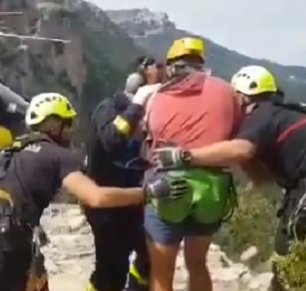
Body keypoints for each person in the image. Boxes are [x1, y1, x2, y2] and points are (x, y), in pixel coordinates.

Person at [0, 92, 189, 291]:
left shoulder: (11, 150)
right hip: (5, 240)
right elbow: (96, 196)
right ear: (54, 124)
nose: (72, 130)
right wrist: (148, 193)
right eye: (68, 123)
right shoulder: (58, 156)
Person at [151, 65, 306, 291]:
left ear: (242, 98)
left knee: (291, 253)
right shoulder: (285, 112)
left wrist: (185, 156)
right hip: (299, 188)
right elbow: (262, 178)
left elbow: (242, 150)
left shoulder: (262, 113)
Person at [142, 37, 243, 291]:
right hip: (212, 189)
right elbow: (235, 134)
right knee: (197, 264)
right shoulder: (227, 91)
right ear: (201, 62)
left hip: (168, 186)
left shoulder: (156, 95)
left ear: (173, 65)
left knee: (162, 273)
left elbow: (146, 136)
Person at [82, 56, 163, 291]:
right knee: (110, 270)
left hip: (139, 199)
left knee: (150, 256)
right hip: (107, 204)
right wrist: (136, 106)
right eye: (155, 70)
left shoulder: (155, 112)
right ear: (137, 79)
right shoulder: (111, 107)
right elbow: (110, 141)